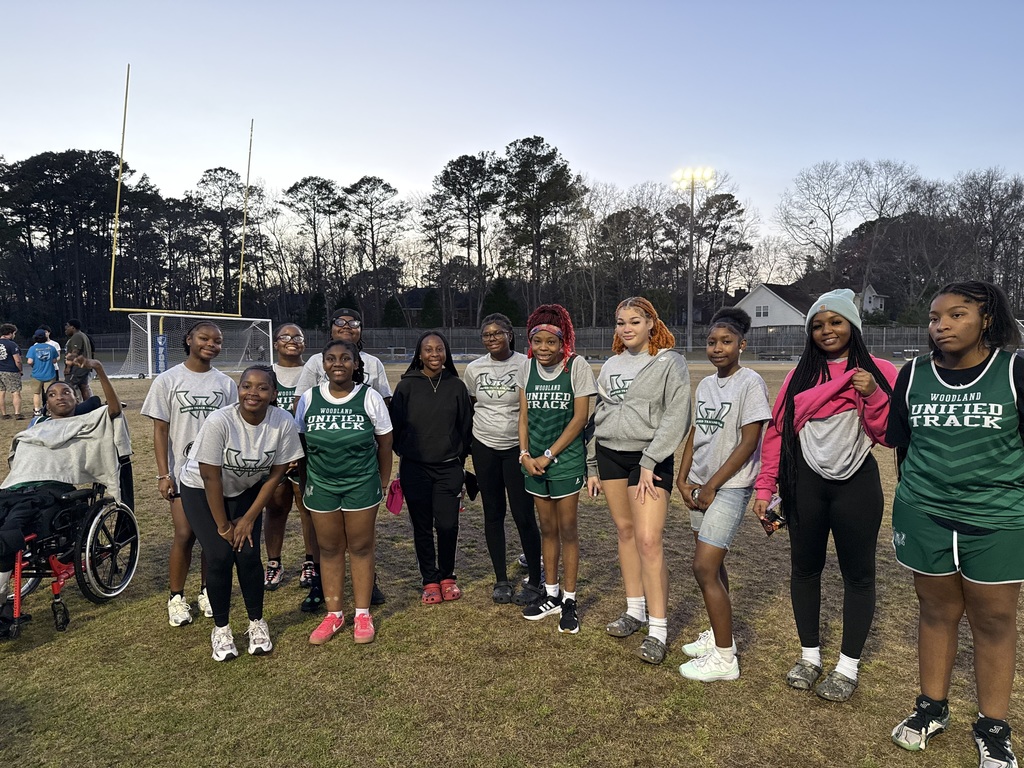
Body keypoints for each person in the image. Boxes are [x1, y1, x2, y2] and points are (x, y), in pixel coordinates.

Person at [888, 281, 1023, 768]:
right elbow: (901, 443)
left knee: (994, 620)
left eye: (956, 315)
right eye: (933, 317)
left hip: (998, 519)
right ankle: (931, 709)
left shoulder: (1014, 371)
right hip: (925, 514)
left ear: (987, 319)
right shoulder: (913, 374)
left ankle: (993, 728)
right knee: (936, 611)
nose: (940, 325)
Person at [753, 288, 897, 702]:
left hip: (857, 485)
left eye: (835, 321)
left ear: (853, 324)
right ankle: (809, 657)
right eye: (817, 324)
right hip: (805, 487)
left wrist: (870, 393)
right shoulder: (800, 376)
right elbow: (778, 434)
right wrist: (765, 487)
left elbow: (887, 435)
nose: (826, 330)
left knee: (859, 576)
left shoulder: (880, 370)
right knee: (804, 570)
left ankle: (847, 667)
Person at [586, 297, 689, 664]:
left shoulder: (669, 362)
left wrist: (651, 459)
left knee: (649, 540)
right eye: (620, 322)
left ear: (650, 324)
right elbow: (599, 413)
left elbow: (679, 414)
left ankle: (658, 629)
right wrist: (592, 463)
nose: (626, 328)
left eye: (634, 321)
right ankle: (635, 611)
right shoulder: (611, 363)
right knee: (626, 532)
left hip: (650, 458)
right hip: (611, 454)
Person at [178, 365, 304, 661]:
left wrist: (247, 519)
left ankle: (257, 623)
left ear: (274, 393)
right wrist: (223, 526)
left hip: (246, 489)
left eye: (262, 388)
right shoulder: (220, 420)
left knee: (247, 554)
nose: (253, 393)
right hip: (201, 488)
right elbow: (210, 477)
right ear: (238, 389)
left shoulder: (282, 421)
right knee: (220, 555)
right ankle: (221, 629)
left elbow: (276, 474)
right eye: (247, 386)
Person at [676, 308, 771, 680]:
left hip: (728, 487)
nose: (717, 348)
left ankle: (725, 658)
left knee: (703, 567)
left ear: (741, 345)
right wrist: (683, 480)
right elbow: (697, 434)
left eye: (726, 342)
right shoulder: (705, 385)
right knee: (714, 566)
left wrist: (713, 484)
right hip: (699, 485)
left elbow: (749, 442)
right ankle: (719, 633)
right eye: (712, 342)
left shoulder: (750, 382)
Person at [0, 357, 126, 601]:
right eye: (53, 394)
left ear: (76, 399)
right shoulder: (35, 428)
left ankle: (2, 597)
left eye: (66, 392)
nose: (60, 396)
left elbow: (114, 409)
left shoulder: (89, 421)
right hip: (16, 488)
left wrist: (99, 369)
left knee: (8, 531)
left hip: (51, 492)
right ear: (46, 404)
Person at [295, 340, 393, 645]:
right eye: (331, 358)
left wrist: (384, 481)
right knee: (329, 549)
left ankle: (362, 613)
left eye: (345, 358)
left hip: (361, 483)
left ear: (355, 364)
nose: (338, 363)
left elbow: (385, 443)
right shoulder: (309, 398)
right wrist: (305, 481)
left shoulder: (370, 397)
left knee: (361, 547)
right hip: (322, 485)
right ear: (323, 364)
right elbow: (300, 445)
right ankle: (334, 614)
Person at [141, 321, 238, 628]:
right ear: (189, 339)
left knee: (212, 537)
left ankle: (207, 590)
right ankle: (176, 597)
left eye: (217, 340)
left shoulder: (225, 383)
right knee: (185, 534)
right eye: (204, 338)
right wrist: (163, 474)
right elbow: (160, 430)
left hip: (214, 474)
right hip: (183, 473)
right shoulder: (168, 380)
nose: (211, 344)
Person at [519, 304, 597, 634]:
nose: (544, 349)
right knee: (546, 529)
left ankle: (570, 600)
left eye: (551, 342)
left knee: (567, 531)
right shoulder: (526, 368)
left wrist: (549, 455)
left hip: (563, 462)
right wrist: (524, 454)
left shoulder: (575, 366)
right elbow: (522, 415)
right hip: (534, 464)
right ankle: (550, 595)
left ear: (563, 341)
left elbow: (580, 419)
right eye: (538, 342)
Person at [464, 313, 542, 605]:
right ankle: (501, 579)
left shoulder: (527, 364)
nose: (492, 338)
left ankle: (535, 577)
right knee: (492, 513)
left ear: (511, 334)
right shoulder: (474, 368)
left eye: (497, 333)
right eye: (486, 335)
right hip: (484, 446)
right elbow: (474, 403)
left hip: (517, 448)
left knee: (523, 514)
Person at [390, 331, 473, 605]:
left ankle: (448, 576)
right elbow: (395, 428)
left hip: (449, 467)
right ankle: (430, 580)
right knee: (422, 527)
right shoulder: (406, 387)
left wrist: (457, 456)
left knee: (448, 525)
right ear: (419, 354)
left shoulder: (456, 386)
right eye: (428, 349)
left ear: (446, 352)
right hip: (415, 468)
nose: (434, 354)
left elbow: (465, 427)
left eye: (439, 349)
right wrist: (408, 452)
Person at [262, 323, 309, 589]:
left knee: (308, 510)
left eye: (298, 336)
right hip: (274, 455)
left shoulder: (314, 370)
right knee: (276, 508)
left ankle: (310, 562)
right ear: (276, 343)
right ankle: (274, 563)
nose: (292, 341)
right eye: (285, 336)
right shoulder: (267, 374)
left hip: (305, 454)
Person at [26, 330, 59, 417]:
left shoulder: (33, 348)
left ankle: (37, 410)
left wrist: (34, 365)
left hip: (37, 374)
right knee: (50, 393)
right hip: (50, 373)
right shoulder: (51, 348)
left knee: (37, 393)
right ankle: (50, 410)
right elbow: (55, 360)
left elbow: (29, 361)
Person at [64, 319, 94, 401]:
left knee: (68, 385)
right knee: (83, 386)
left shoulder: (76, 336)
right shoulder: (83, 335)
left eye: (67, 326)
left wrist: (68, 367)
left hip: (78, 367)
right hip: (85, 366)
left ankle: (73, 404)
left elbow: (74, 353)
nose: (65, 328)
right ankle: (88, 405)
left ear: (73, 327)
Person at [0, 324, 24, 420]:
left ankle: (4, 413)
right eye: (14, 333)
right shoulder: (12, 344)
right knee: (15, 392)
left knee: (1, 392)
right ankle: (17, 413)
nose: (14, 335)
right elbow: (17, 360)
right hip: (10, 371)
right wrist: (20, 369)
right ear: (10, 333)